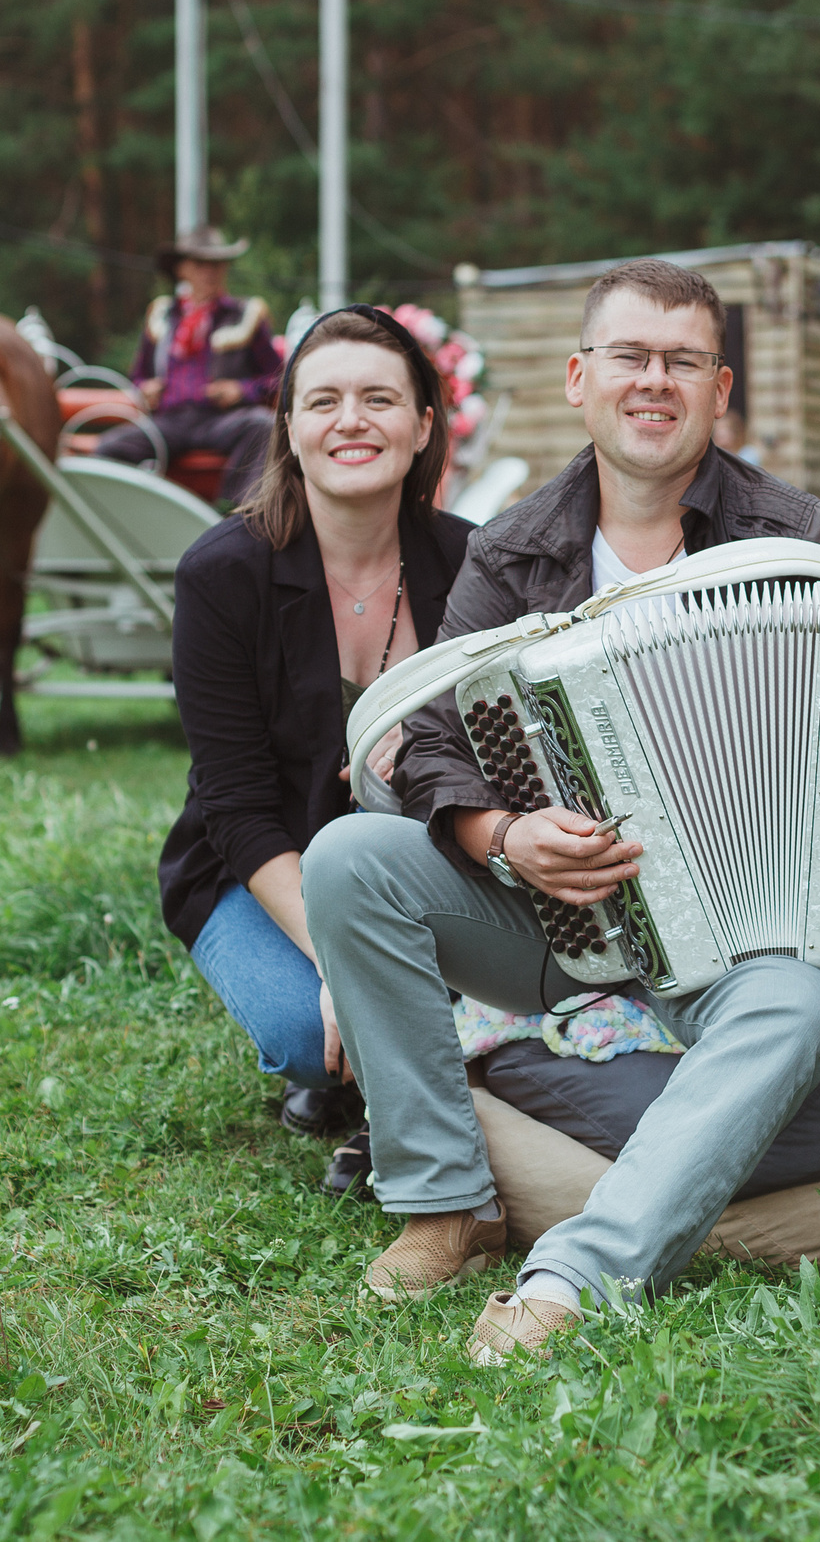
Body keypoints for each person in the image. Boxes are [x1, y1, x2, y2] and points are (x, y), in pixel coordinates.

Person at [301, 258, 820, 1365]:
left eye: (683, 362)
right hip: (569, 924)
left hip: (756, 929)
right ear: (579, 378)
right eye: (629, 357)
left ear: (720, 392)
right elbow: (424, 742)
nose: (653, 382)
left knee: (799, 1007)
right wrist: (502, 837)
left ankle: (574, 1278)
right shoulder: (510, 552)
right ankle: (446, 1204)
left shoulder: (803, 544)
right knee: (347, 860)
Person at [156, 305, 474, 1196]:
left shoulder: (474, 564)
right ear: (290, 428)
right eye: (324, 400)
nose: (351, 420)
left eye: (380, 398)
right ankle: (338, 1072)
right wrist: (342, 960)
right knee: (311, 1026)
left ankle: (376, 1082)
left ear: (422, 425)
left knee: (443, 1000)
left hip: (425, 862)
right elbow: (236, 807)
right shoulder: (222, 574)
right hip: (257, 868)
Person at [97, 227, 285, 498]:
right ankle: (132, 515)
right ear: (182, 269)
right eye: (201, 264)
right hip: (170, 421)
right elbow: (137, 375)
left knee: (263, 426)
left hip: (220, 420)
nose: (211, 271)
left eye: (217, 264)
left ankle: (237, 517)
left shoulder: (245, 315)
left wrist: (240, 390)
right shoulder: (161, 316)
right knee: (108, 448)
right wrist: (145, 388)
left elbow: (277, 376)